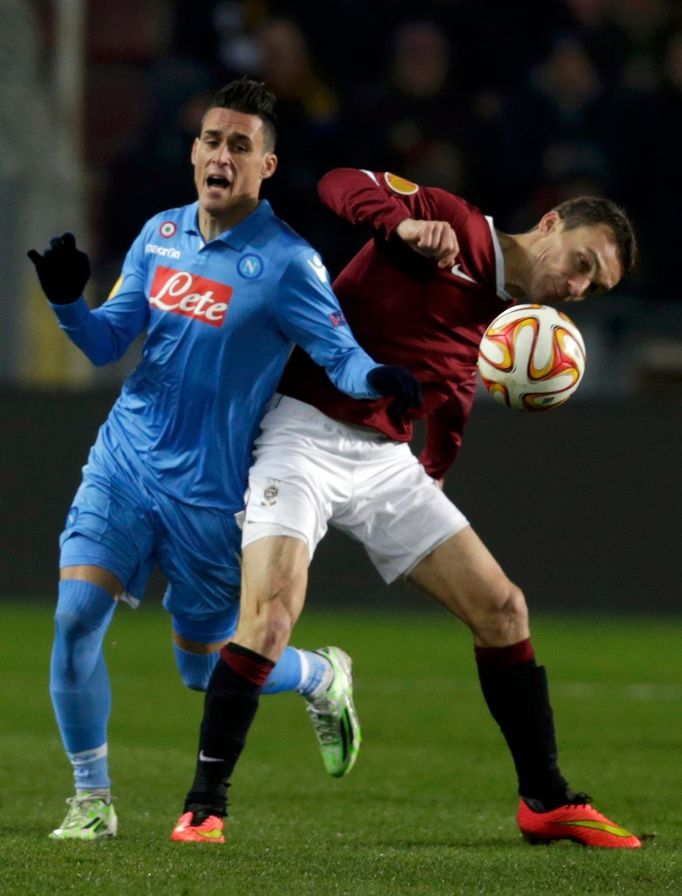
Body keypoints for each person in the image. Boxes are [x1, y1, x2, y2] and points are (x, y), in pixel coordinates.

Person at [172, 166, 642, 850]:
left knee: (503, 608)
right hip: (301, 430)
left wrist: (436, 474)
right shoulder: (450, 222)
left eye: (591, 287)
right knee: (271, 615)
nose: (574, 288)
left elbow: (448, 401)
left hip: (386, 462)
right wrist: (400, 223)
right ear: (549, 225)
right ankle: (203, 807)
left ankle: (545, 801)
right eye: (580, 264)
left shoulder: (505, 320)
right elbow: (338, 183)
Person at [27, 82, 421, 841]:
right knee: (76, 618)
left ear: (266, 166)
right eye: (211, 140)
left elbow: (338, 353)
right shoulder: (159, 235)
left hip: (212, 493)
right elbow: (111, 342)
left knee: (205, 671)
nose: (220, 155)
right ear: (195, 150)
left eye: (240, 146)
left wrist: (378, 380)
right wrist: (69, 305)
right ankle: (91, 800)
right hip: (126, 463)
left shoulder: (287, 264)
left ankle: (320, 675)